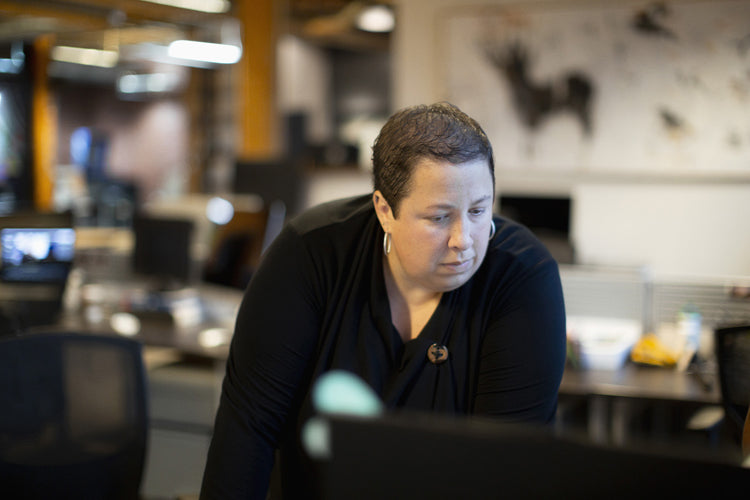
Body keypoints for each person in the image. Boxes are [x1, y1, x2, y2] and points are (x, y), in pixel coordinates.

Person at [200, 102, 567, 499]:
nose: (464, 240)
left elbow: (506, 473)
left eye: (479, 210)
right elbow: (246, 433)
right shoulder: (309, 256)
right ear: (384, 210)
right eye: (439, 217)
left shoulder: (521, 278)